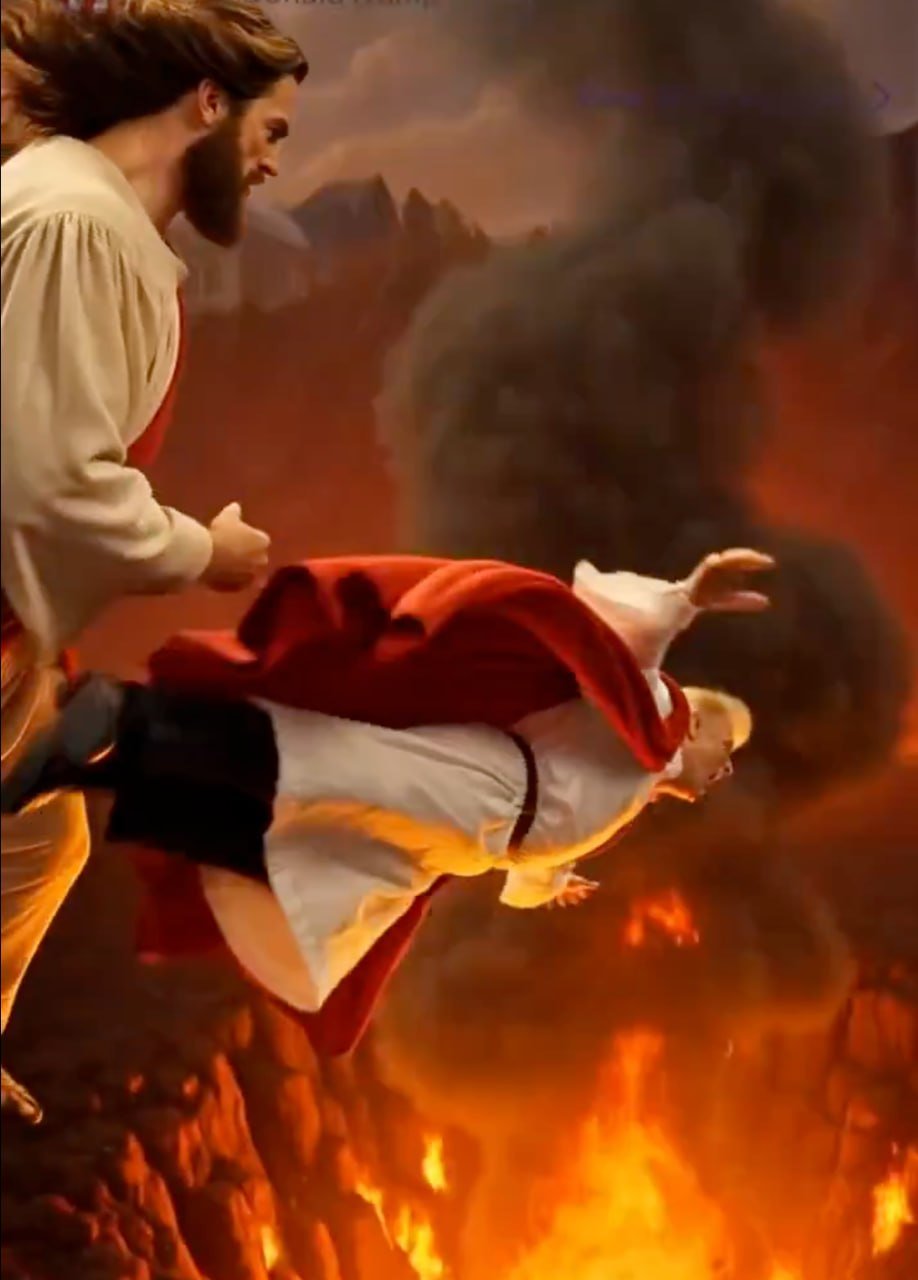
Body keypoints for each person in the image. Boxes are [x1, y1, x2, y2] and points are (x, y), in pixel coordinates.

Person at [2, 548, 773, 1059]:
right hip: (479, 786)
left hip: (462, 839)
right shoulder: (652, 713)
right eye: (728, 747)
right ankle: (120, 718)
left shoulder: (637, 782)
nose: (726, 769)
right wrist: (688, 597)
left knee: (295, 870)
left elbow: (549, 843)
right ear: (698, 724)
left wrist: (547, 879)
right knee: (310, 767)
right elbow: (619, 646)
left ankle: (93, 766)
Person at [1, 0, 308, 1120]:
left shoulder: (94, 219)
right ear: (208, 104)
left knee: (38, 837)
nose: (273, 164)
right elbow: (49, 483)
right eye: (272, 131)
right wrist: (202, 548)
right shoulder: (76, 225)